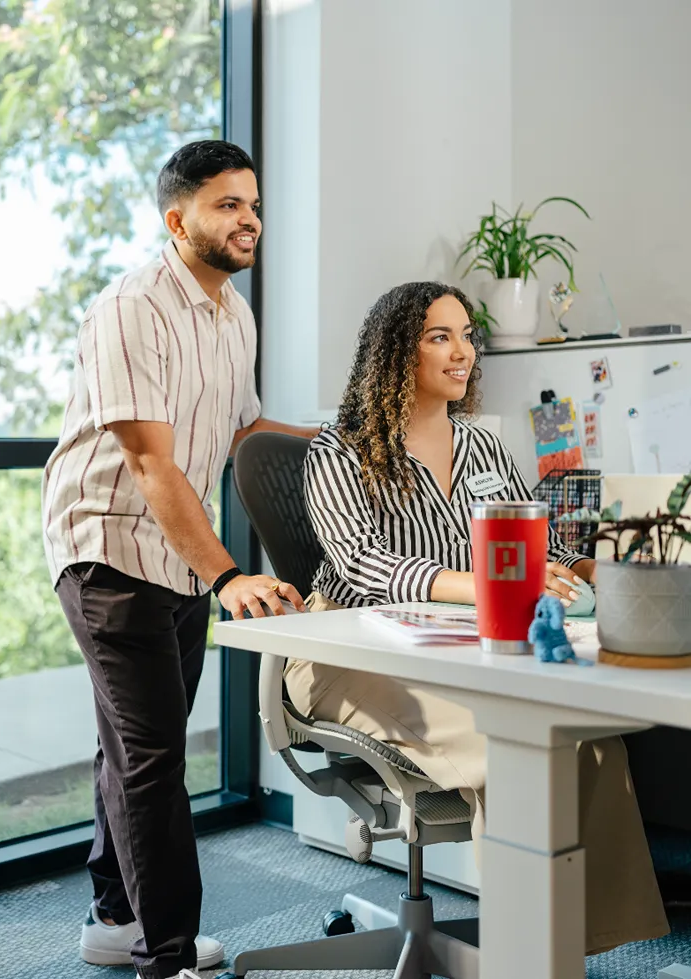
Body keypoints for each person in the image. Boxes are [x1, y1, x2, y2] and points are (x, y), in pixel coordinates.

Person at [289, 281, 669, 955]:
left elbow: (538, 541)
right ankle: (529, 953)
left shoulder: (484, 447)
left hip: (458, 641)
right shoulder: (339, 451)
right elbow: (362, 566)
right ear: (395, 352)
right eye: (441, 336)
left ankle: (577, 943)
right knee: (511, 743)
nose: (463, 351)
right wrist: (486, 584)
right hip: (350, 651)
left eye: (468, 335)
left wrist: (598, 572)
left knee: (587, 737)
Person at [42, 140, 314, 979]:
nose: (249, 220)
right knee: (154, 752)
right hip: (108, 544)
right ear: (178, 217)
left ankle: (114, 913)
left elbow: (242, 432)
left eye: (255, 204)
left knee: (132, 743)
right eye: (228, 204)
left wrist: (348, 441)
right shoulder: (133, 307)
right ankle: (170, 958)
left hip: (178, 556)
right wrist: (230, 574)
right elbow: (152, 462)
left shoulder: (235, 313)